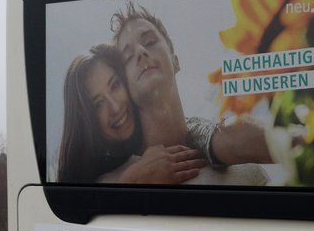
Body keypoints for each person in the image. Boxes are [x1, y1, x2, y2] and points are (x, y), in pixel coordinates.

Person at [110, 1, 274, 182]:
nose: (141, 52)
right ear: (124, 87)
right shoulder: (115, 180)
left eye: (149, 41)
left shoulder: (247, 173)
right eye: (128, 57)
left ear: (175, 61)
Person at [56, 44, 204, 184]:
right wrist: (131, 182)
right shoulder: (96, 186)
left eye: (115, 86)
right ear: (86, 122)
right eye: (98, 104)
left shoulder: (189, 134)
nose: (114, 107)